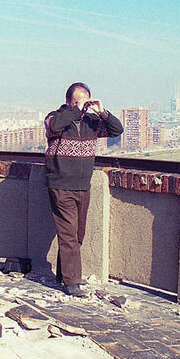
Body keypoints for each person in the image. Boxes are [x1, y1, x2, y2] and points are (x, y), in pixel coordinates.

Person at [43, 82, 123, 297]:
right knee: (68, 234)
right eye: (78, 101)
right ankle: (71, 282)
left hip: (82, 185)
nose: (83, 105)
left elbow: (117, 130)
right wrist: (75, 110)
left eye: (85, 100)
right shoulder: (55, 117)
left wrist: (102, 111)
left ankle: (65, 274)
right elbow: (55, 127)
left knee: (77, 234)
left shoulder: (92, 122)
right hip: (60, 184)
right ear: (69, 101)